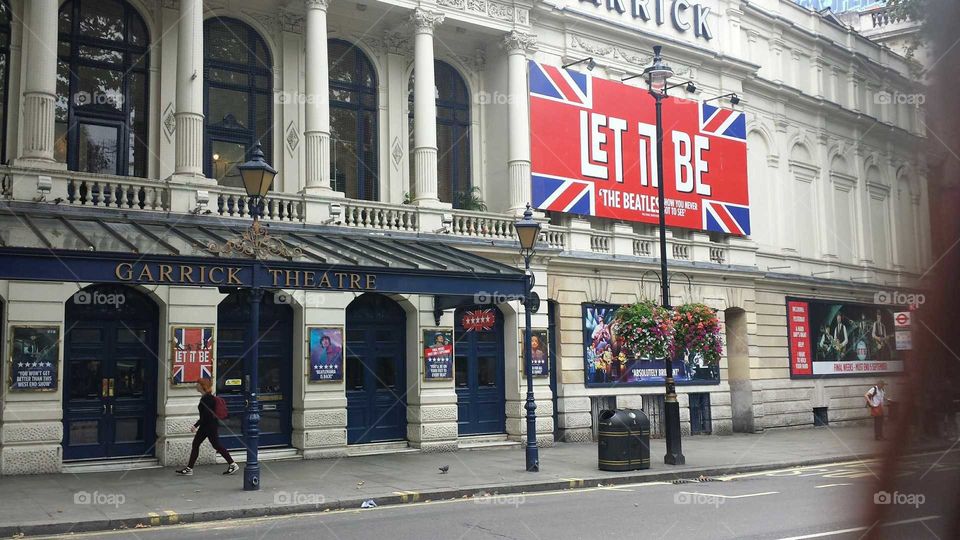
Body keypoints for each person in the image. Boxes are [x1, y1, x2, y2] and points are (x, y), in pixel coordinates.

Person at [177, 378, 237, 476]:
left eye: (198, 384)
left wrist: (196, 425)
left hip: (209, 426)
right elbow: (205, 415)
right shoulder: (206, 397)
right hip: (206, 426)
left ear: (202, 386)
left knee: (216, 445)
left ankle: (232, 464)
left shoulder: (208, 398)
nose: (196, 385)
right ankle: (189, 468)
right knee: (196, 444)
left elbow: (206, 415)